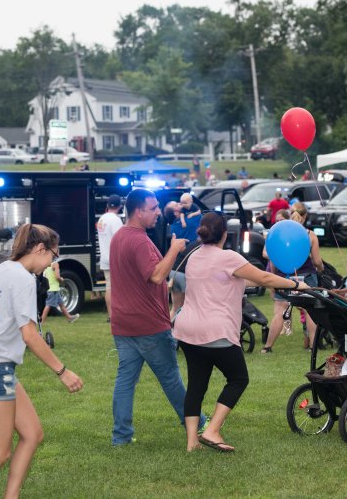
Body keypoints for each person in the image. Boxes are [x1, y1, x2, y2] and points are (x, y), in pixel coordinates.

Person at [172, 212, 311, 452]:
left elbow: (230, 280)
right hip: (216, 331)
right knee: (238, 379)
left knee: (196, 385)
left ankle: (192, 442)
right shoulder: (228, 257)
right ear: (225, 234)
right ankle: (213, 430)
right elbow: (265, 277)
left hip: (188, 330)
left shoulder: (194, 256)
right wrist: (297, 284)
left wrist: (257, 280)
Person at [0, 224, 83, 498]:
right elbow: (30, 335)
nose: (52, 262)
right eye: (53, 256)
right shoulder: (22, 278)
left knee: (33, 434)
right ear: (39, 249)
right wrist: (63, 371)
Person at [108, 188, 205, 446]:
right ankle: (198, 423)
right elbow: (156, 275)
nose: (158, 213)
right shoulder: (139, 240)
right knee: (171, 378)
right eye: (152, 209)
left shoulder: (120, 236)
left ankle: (121, 437)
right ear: (138, 211)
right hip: (148, 324)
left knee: (125, 380)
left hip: (123, 323)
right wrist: (174, 249)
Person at [261, 202, 324, 353]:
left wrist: (276, 276)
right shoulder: (310, 235)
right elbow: (317, 261)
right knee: (310, 312)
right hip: (307, 276)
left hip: (283, 277)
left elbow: (274, 259)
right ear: (305, 216)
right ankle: (312, 347)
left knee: (279, 312)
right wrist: (321, 269)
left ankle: (267, 347)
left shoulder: (278, 233)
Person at [97, 194, 123, 323]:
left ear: (107, 205)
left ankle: (111, 315)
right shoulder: (116, 220)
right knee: (119, 288)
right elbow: (120, 239)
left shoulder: (102, 219)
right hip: (115, 258)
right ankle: (118, 315)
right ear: (120, 206)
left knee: (109, 287)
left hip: (105, 258)